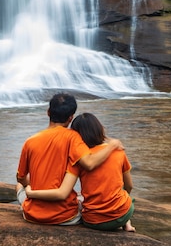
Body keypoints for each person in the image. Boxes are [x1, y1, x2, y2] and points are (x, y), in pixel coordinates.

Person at [16, 93, 123, 225]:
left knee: (19, 186)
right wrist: (112, 145)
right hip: (65, 216)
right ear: (71, 118)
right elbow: (89, 163)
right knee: (79, 201)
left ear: (48, 112)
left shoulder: (29, 141)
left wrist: (34, 189)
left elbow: (21, 178)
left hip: (32, 214)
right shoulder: (73, 137)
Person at [26, 112, 135, 232]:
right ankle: (127, 223)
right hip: (122, 214)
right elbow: (129, 185)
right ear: (100, 128)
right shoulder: (118, 152)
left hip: (93, 221)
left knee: (80, 200)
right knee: (126, 195)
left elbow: (64, 191)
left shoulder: (78, 159)